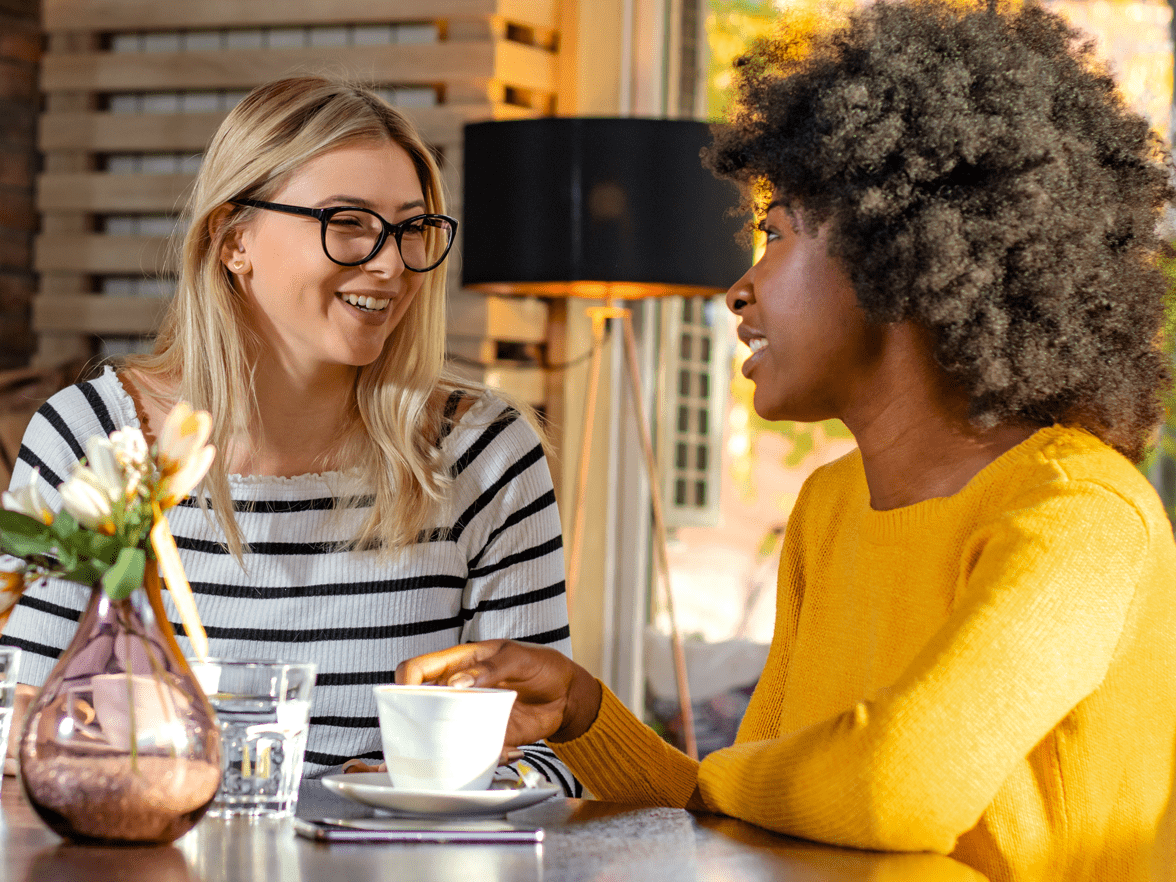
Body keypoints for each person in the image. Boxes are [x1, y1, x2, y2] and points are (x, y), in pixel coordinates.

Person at [395, 1, 1176, 879]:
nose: (740, 288)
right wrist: (583, 713)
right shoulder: (829, 509)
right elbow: (752, 809)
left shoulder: (1081, 515)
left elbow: (889, 787)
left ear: (902, 251)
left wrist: (722, 783)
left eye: (774, 234)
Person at [1, 76, 579, 794]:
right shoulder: (93, 438)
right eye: (349, 223)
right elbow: (19, 734)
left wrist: (427, 792)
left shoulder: (485, 454)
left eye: (411, 228)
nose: (392, 263)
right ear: (234, 239)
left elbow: (553, 757)